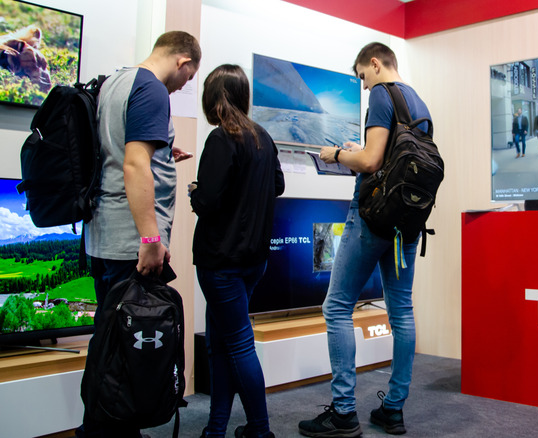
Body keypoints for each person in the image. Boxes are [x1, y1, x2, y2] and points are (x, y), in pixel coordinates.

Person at [298, 41, 431, 437]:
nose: (362, 85)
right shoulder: (418, 101)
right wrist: (363, 151)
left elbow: (372, 163)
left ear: (375, 64)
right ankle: (393, 410)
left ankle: (343, 413)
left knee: (336, 307)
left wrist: (337, 154)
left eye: (361, 76)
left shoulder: (381, 94)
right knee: (401, 312)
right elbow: (389, 156)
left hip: (372, 218)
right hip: (407, 222)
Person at [78, 30, 201, 438]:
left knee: (112, 351)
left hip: (105, 234)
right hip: (130, 242)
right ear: (183, 61)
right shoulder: (151, 89)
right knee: (125, 361)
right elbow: (133, 165)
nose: (184, 85)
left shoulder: (116, 81)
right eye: (189, 77)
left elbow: (123, 153)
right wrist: (150, 239)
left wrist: (165, 150)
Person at [190, 64, 284, 438]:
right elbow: (276, 185)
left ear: (213, 98)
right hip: (252, 262)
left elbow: (208, 202)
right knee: (219, 343)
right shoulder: (262, 136)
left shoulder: (221, 138)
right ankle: (216, 428)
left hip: (221, 262)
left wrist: (195, 192)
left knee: (238, 345)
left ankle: (260, 430)